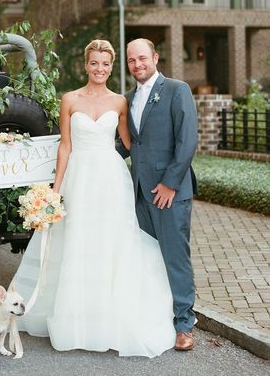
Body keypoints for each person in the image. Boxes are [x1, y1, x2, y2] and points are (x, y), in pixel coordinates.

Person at [12, 39, 176, 357]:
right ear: (85, 65)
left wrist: (154, 175)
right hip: (78, 176)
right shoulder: (70, 99)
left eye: (105, 64)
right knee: (77, 238)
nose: (100, 69)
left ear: (111, 67)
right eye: (94, 63)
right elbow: (65, 145)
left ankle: (107, 313)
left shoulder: (119, 102)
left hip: (111, 179)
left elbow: (130, 144)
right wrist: (55, 189)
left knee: (109, 240)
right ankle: (74, 315)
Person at [123, 38, 198, 352]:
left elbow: (187, 140)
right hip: (139, 193)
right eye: (131, 61)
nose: (137, 65)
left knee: (175, 258)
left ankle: (184, 325)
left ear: (154, 57)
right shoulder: (127, 98)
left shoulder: (177, 90)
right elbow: (127, 143)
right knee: (148, 259)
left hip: (169, 193)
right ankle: (156, 317)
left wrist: (170, 184)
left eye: (142, 58)